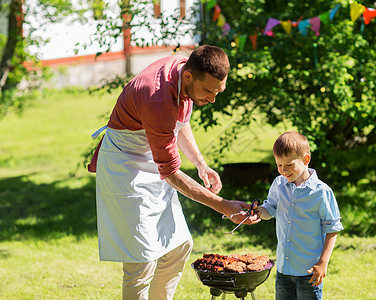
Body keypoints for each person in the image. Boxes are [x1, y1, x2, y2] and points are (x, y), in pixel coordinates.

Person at [88, 45, 259, 300]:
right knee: (141, 261)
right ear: (189, 77)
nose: (212, 99)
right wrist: (224, 206)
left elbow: (179, 121)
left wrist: (201, 163)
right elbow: (171, 173)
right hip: (125, 168)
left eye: (217, 91)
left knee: (179, 246)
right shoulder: (157, 98)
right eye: (208, 91)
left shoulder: (184, 70)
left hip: (152, 155)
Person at [257, 131, 344, 300]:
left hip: (309, 271)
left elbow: (332, 229)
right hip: (283, 269)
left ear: (306, 160)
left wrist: (323, 263)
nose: (283, 170)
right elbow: (270, 209)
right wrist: (258, 212)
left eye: (289, 165)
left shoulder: (321, 192)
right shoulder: (278, 184)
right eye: (279, 165)